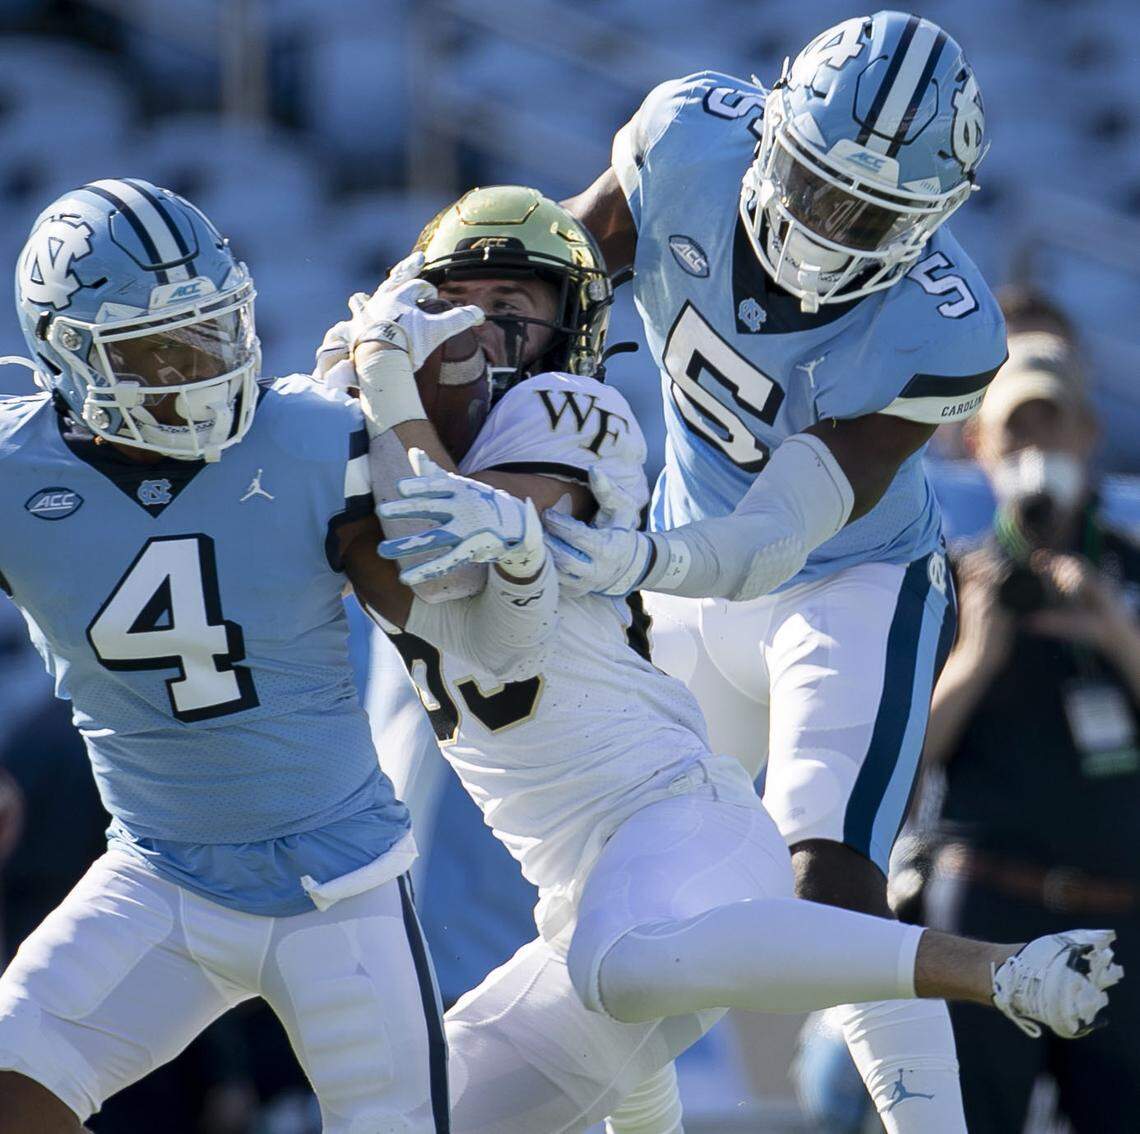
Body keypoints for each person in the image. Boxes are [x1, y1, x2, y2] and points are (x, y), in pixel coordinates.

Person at [330, 186, 1122, 1134]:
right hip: (577, 888)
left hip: (676, 832)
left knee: (620, 970)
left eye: (514, 310)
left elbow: (451, 540)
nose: (482, 330)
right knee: (405, 1119)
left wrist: (384, 392)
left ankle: (994, 969)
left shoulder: (570, 412)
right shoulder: (368, 437)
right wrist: (338, 393)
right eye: (459, 301)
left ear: (566, 332)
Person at [0, 178, 556, 1133]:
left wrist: (423, 433)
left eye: (214, 332)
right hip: (156, 876)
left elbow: (452, 626)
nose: (201, 371)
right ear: (69, 358)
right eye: (160, 349)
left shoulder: (311, 437)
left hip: (337, 890)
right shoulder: (17, 471)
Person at [541, 12, 1007, 1131]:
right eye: (811, 181)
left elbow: (776, 535)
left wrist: (639, 555)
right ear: (769, 130)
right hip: (682, 587)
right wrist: (430, 311)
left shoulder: (946, 327)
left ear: (934, 219)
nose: (824, 226)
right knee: (608, 905)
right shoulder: (686, 138)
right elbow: (552, 273)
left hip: (846, 588)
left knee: (831, 884)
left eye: (870, 215)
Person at [921, 331, 1140, 1133]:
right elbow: (905, 764)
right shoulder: (946, 579)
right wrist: (978, 654)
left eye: (1055, 425)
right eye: (1018, 428)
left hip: (1123, 917)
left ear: (1088, 435)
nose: (1039, 447)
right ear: (978, 444)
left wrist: (1118, 635)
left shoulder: (1132, 571)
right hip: (983, 908)